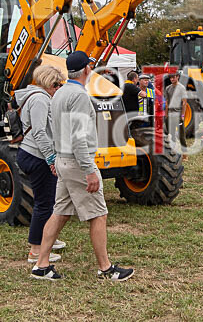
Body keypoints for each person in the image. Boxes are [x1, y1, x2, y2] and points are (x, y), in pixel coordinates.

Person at [33, 50, 134, 282]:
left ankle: (41, 265)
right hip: (78, 162)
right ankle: (106, 268)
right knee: (99, 214)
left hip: (64, 160)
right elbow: (79, 137)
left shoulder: (58, 94)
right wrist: (89, 170)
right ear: (88, 69)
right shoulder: (79, 96)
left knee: (59, 212)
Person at [15, 65, 67, 265]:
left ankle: (47, 239)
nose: (58, 88)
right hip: (36, 156)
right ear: (47, 83)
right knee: (44, 204)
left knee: (49, 200)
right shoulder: (40, 99)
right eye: (56, 84)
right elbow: (39, 132)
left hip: (35, 154)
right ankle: (36, 249)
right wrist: (51, 158)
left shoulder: (38, 97)